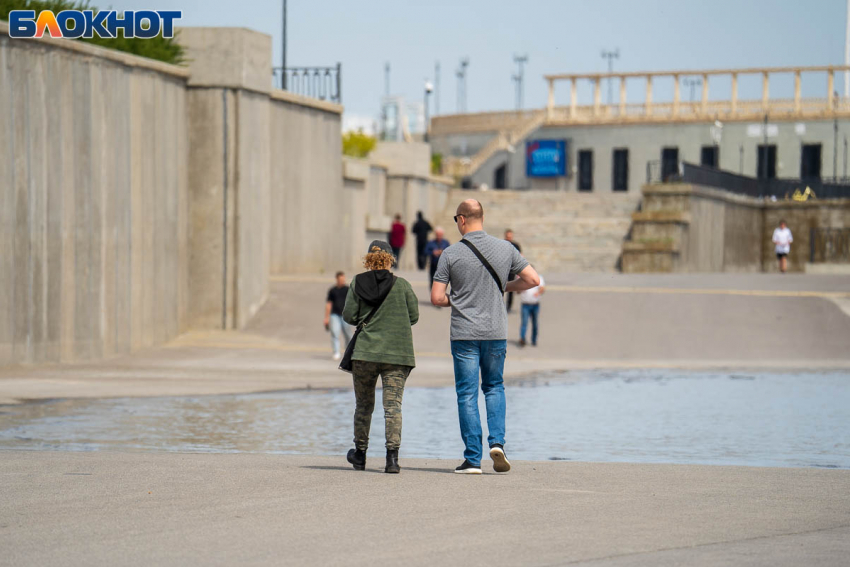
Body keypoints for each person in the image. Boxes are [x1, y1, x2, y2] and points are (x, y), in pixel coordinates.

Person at [431, 200, 540, 475]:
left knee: (467, 394)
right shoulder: (506, 249)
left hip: (464, 335)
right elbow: (533, 279)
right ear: (482, 217)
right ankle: (498, 443)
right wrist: (506, 286)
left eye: (457, 219)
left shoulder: (450, 254)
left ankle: (472, 459)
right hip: (495, 333)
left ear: (463, 220)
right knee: (494, 387)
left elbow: (436, 297)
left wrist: (457, 299)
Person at [343, 241, 419, 474]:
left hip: (365, 353)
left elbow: (348, 315)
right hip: (397, 354)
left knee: (364, 406)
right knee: (393, 407)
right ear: (390, 259)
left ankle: (360, 455)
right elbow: (414, 316)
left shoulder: (357, 282)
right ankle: (392, 459)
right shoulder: (403, 286)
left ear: (369, 259)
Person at [324, 271, 353, 361]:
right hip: (335, 315)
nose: (342, 281)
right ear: (337, 279)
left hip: (345, 315)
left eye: (343, 279)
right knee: (335, 333)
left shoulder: (348, 289)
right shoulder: (332, 290)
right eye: (340, 279)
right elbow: (329, 304)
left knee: (348, 335)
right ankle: (336, 352)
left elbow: (352, 303)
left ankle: (348, 352)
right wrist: (326, 317)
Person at [518, 270, 545, 347]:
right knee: (524, 322)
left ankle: (534, 339)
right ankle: (522, 338)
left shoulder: (539, 277)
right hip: (525, 304)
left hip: (535, 304)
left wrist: (538, 293)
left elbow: (542, 288)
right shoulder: (522, 279)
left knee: (535, 323)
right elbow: (517, 291)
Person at [424, 227, 450, 291]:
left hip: (443, 265)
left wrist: (442, 252)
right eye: (438, 235)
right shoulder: (431, 242)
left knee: (442, 281)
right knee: (432, 280)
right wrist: (433, 252)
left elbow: (450, 252)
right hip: (433, 264)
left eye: (440, 235)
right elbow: (425, 251)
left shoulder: (446, 243)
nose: (439, 236)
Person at [504, 229, 522, 313]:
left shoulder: (516, 245)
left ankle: (508, 307)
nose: (509, 237)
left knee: (511, 289)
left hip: (511, 270)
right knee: (500, 288)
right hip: (502, 269)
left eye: (510, 236)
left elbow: (520, 257)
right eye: (507, 236)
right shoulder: (501, 244)